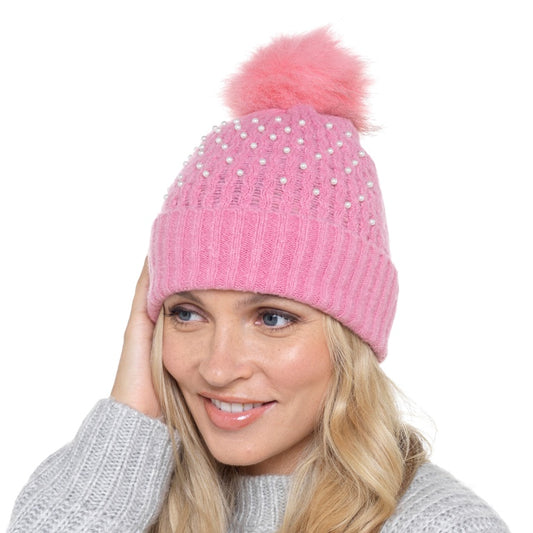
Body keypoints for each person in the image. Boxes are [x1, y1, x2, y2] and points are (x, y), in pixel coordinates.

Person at [7, 28, 509, 533]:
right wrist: (130, 414)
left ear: (351, 336)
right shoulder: (113, 492)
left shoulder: (440, 525)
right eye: (187, 313)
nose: (218, 368)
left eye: (272, 318)